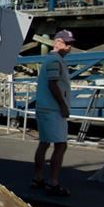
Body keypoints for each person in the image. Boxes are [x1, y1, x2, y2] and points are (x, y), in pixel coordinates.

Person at [32, 29, 75, 197]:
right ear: (57, 43)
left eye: (70, 43)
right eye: (67, 43)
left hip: (45, 107)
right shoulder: (55, 61)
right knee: (61, 144)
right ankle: (53, 182)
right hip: (53, 109)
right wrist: (63, 105)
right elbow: (53, 84)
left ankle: (38, 178)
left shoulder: (51, 60)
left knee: (44, 143)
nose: (70, 47)